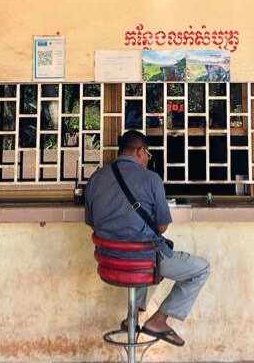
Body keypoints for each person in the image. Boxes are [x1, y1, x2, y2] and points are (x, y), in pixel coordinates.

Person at [84, 130, 211, 347]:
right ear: (141, 151)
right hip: (143, 261)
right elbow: (161, 226)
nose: (146, 160)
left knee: (140, 249)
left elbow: (91, 221)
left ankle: (133, 318)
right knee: (200, 269)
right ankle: (159, 321)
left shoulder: (96, 178)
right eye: (147, 155)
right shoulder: (151, 179)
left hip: (109, 262)